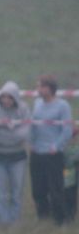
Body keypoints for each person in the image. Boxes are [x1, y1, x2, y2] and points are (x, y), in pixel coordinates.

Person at [29, 76, 74, 223]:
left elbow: (67, 129)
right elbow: (33, 125)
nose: (38, 90)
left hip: (53, 153)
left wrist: (57, 146)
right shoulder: (36, 103)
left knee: (55, 188)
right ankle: (43, 217)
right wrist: (31, 142)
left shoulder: (63, 105)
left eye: (41, 87)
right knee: (38, 189)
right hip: (37, 152)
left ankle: (59, 219)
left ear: (49, 88)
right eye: (37, 87)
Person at [0, 81, 30, 225]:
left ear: (16, 98)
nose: (6, 100)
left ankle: (15, 220)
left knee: (16, 192)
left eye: (10, 97)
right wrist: (9, 132)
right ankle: (3, 222)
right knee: (0, 193)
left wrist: (7, 132)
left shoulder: (24, 110)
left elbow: (26, 131)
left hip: (18, 157)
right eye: (4, 97)